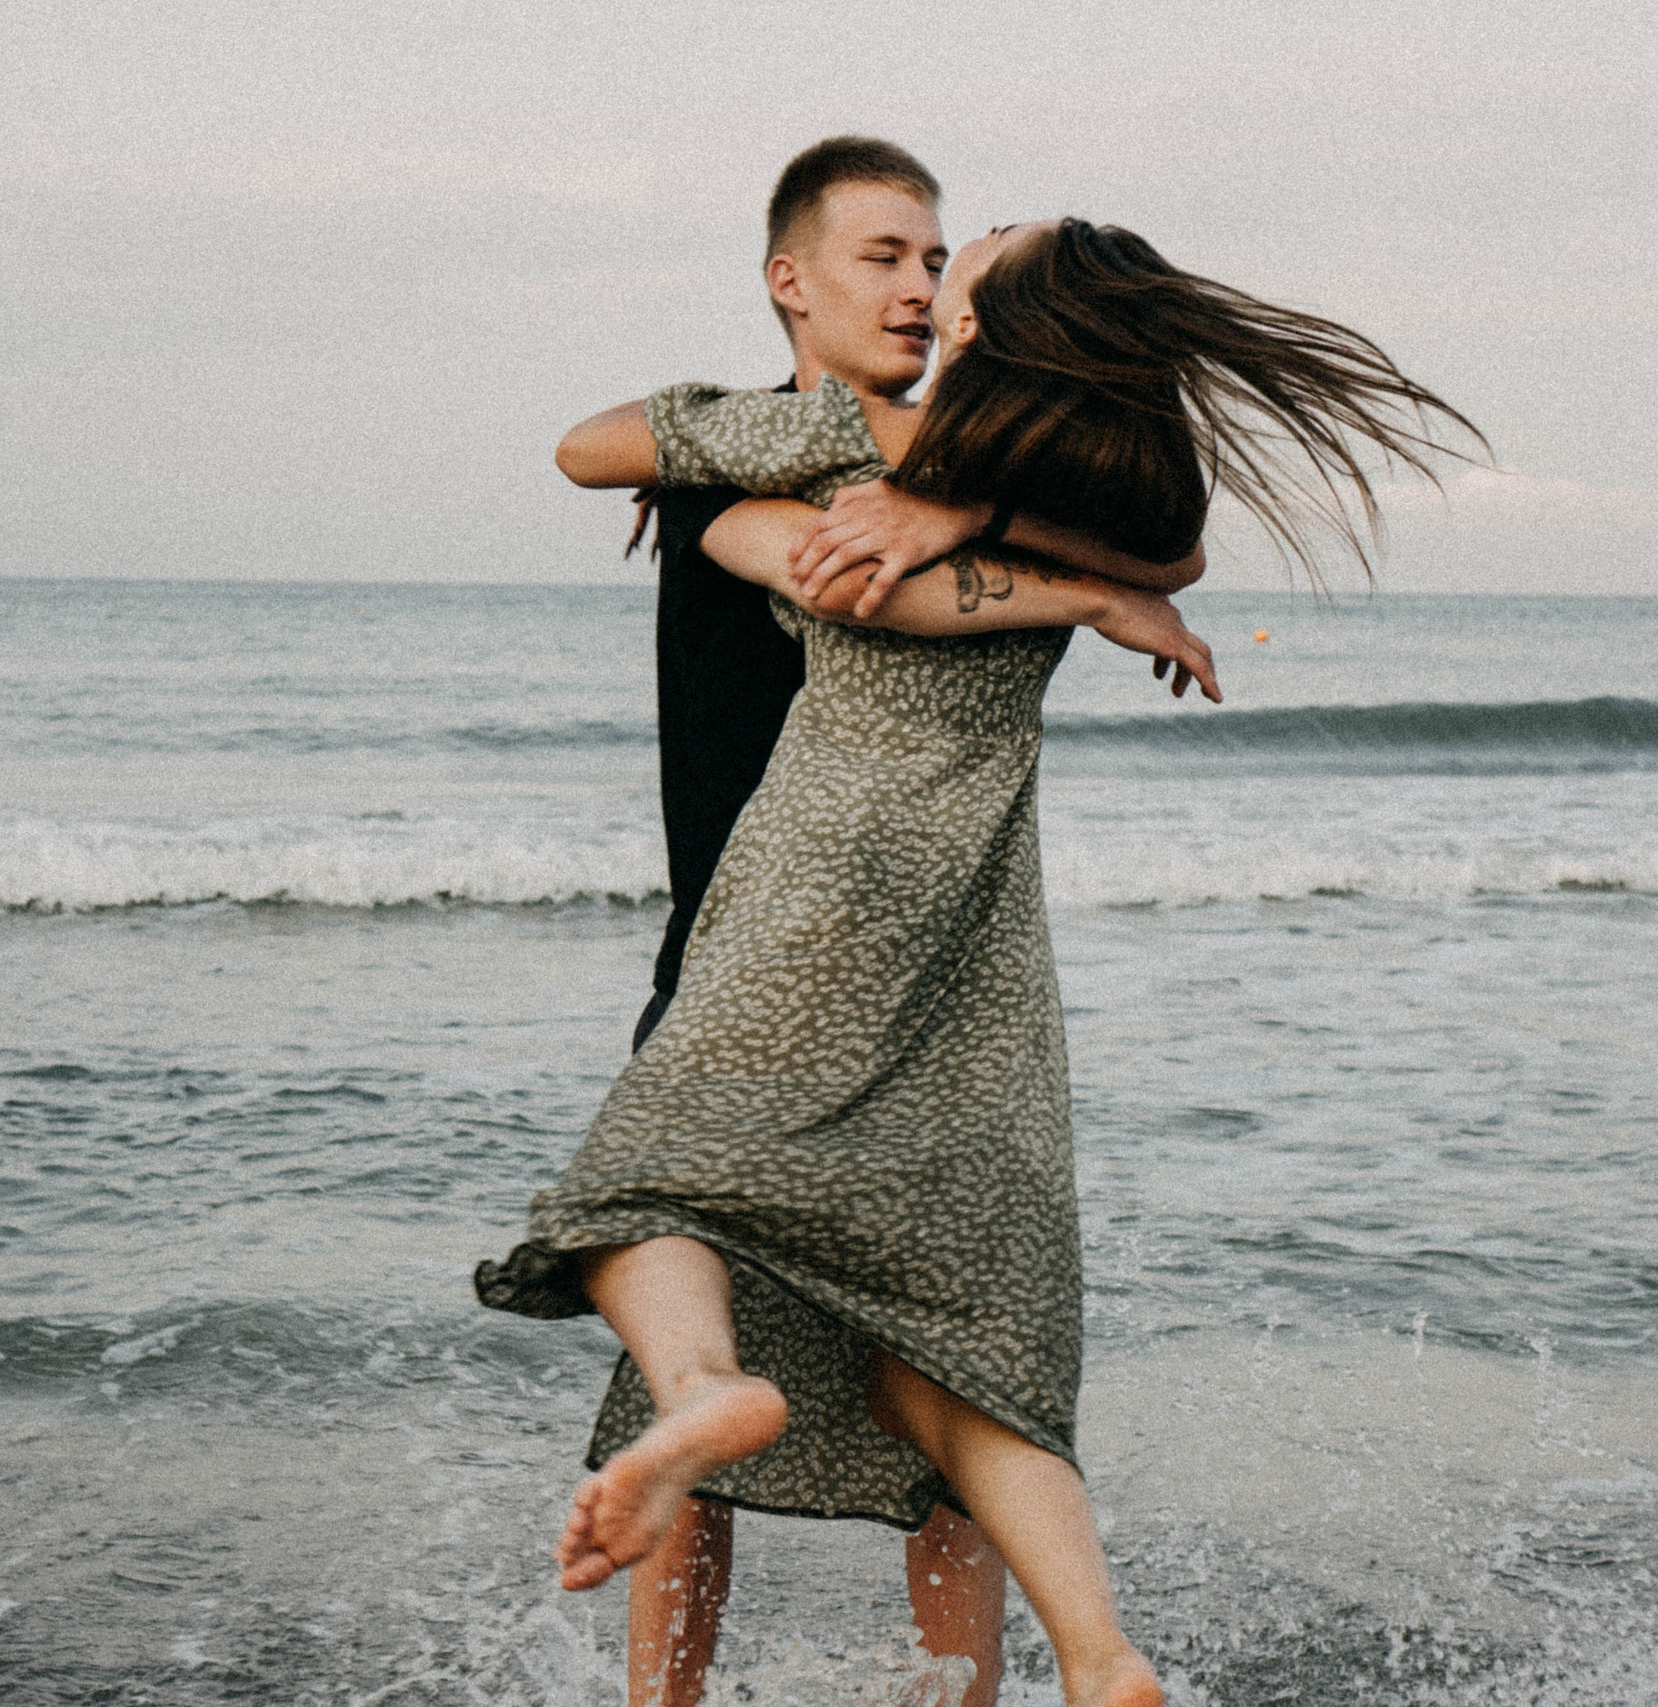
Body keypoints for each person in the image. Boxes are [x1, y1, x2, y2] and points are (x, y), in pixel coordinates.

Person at [500, 213, 1475, 1700]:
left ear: (979, 322)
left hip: (821, 888)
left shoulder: (869, 446)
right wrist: (1074, 584)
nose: (941, 265)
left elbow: (754, 537)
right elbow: (1167, 547)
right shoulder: (1079, 475)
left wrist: (927, 509)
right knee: (962, 1355)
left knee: (637, 1195)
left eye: (966, 250)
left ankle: (704, 1392)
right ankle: (1096, 1657)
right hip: (982, 946)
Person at [542, 138, 1216, 1707]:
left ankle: (946, 1689)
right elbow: (594, 451)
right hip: (794, 940)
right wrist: (1021, 543)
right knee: (905, 1370)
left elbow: (1165, 541)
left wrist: (948, 496)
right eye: (884, 256)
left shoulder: (973, 461)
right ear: (791, 282)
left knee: (748, 1321)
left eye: (935, 259)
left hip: (803, 946)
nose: (916, 284)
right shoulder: (758, 446)